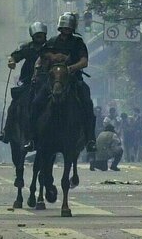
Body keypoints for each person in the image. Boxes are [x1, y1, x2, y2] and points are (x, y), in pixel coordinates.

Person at [30, 12, 96, 152]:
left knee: (87, 103)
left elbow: (84, 61)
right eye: (64, 27)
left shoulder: (78, 42)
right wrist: (43, 65)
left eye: (69, 27)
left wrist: (71, 68)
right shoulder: (52, 41)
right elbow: (42, 57)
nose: (66, 29)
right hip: (53, 80)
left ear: (72, 28)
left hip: (73, 79)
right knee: (36, 103)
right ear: (60, 27)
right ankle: (32, 138)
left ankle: (90, 139)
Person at [0, 22, 48, 143]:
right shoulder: (27, 48)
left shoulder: (50, 47)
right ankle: (7, 131)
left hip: (47, 82)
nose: (39, 37)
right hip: (29, 83)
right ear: (32, 36)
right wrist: (11, 62)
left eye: (41, 35)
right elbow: (14, 56)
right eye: (37, 35)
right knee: (14, 105)